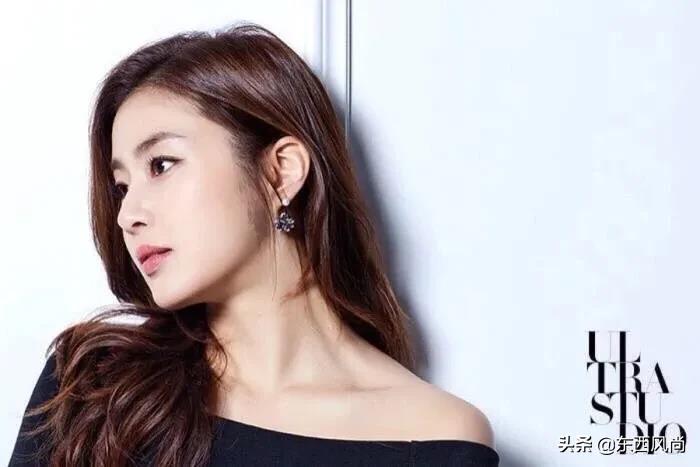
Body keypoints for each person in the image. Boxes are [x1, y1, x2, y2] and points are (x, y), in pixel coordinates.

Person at [9, 22, 500, 466]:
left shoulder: (436, 437)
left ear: (281, 172)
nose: (127, 215)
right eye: (122, 186)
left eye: (161, 164)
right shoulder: (92, 388)